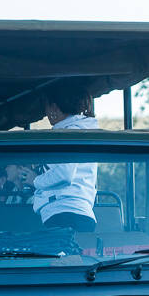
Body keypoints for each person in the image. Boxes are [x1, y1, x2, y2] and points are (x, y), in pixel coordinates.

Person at [28, 84, 99, 232]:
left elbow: (64, 174)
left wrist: (35, 180)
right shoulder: (85, 132)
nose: (46, 113)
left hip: (62, 213)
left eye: (46, 107)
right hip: (81, 212)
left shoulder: (68, 134)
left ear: (54, 108)